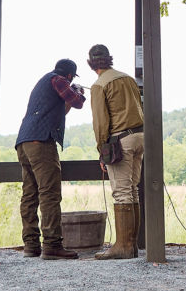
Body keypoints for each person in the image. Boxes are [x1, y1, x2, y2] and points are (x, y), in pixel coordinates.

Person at [14, 58, 86, 260]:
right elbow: (77, 103)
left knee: (30, 195)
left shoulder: (44, 83)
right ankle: (52, 244)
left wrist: (72, 95)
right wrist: (79, 92)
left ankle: (31, 245)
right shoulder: (58, 80)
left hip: (24, 142)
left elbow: (62, 109)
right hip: (41, 142)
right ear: (70, 76)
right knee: (50, 193)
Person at [87, 44, 144, 260]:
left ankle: (123, 246)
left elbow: (101, 123)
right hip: (140, 136)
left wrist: (103, 150)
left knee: (121, 192)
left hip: (121, 141)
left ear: (91, 64)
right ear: (109, 59)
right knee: (132, 189)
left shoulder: (99, 85)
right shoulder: (128, 78)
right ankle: (132, 246)